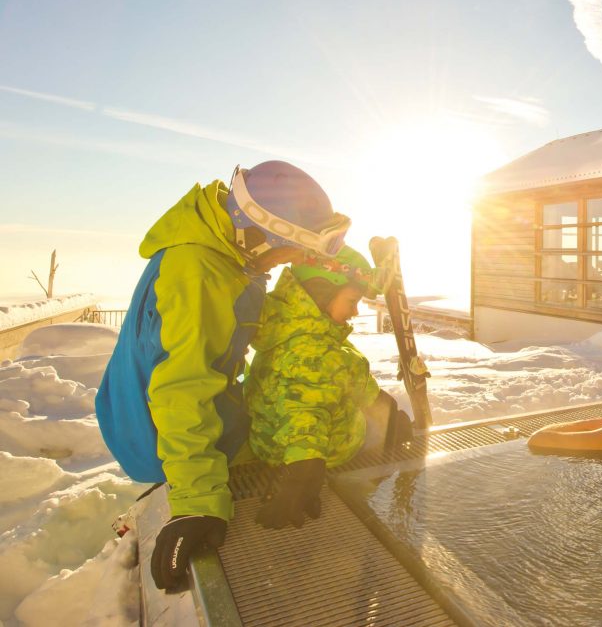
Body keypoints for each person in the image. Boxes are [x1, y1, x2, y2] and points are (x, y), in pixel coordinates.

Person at [94, 161, 350, 590]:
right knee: (304, 444)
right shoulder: (202, 274)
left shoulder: (223, 252)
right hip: (161, 433)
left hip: (172, 415)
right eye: (294, 247)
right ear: (259, 232)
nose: (299, 259)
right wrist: (197, 503)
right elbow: (182, 389)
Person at [244, 246, 411, 529]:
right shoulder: (312, 351)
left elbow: (341, 378)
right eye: (351, 300)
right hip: (319, 447)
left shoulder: (296, 326)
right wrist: (302, 471)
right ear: (321, 292)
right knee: (378, 431)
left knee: (380, 410)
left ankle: (389, 417)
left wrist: (385, 405)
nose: (356, 310)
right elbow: (304, 411)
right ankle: (386, 431)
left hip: (272, 438)